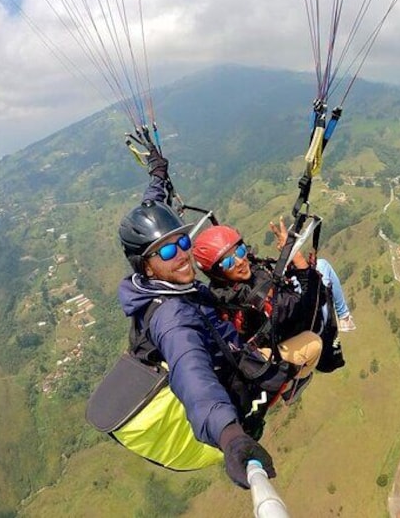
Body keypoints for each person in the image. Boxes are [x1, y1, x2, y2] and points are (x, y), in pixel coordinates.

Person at [116, 149, 281, 489]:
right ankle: (255, 415)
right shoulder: (172, 317)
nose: (180, 254)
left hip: (225, 346)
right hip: (226, 384)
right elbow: (192, 375)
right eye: (165, 251)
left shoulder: (157, 285)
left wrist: (157, 177)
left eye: (183, 241)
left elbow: (152, 207)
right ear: (145, 265)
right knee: (305, 349)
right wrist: (231, 436)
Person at [192, 218, 347, 388]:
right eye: (228, 262)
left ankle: (344, 316)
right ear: (217, 273)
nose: (240, 261)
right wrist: (296, 256)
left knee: (320, 269)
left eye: (240, 251)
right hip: (296, 330)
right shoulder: (252, 296)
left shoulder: (222, 290)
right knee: (323, 271)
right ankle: (339, 324)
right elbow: (308, 302)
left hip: (278, 325)